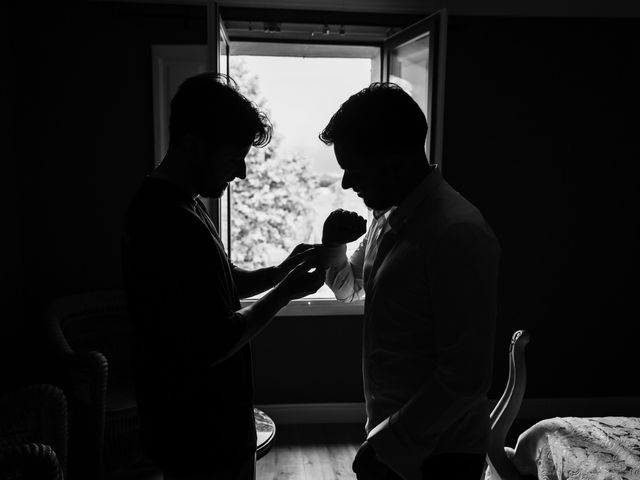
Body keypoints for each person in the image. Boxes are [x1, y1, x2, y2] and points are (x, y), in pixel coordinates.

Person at [122, 73, 325, 480]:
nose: (243, 172)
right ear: (192, 145)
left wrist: (280, 270)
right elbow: (214, 340)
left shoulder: (183, 204)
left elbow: (221, 281)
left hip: (205, 422)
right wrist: (285, 293)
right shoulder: (167, 222)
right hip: (197, 432)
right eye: (234, 156)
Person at [319, 83, 501, 480]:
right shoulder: (386, 221)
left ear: (394, 158)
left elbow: (466, 375)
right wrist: (333, 245)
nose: (347, 182)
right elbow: (351, 291)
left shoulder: (457, 233)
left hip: (440, 453)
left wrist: (387, 445)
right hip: (390, 436)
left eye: (354, 166)